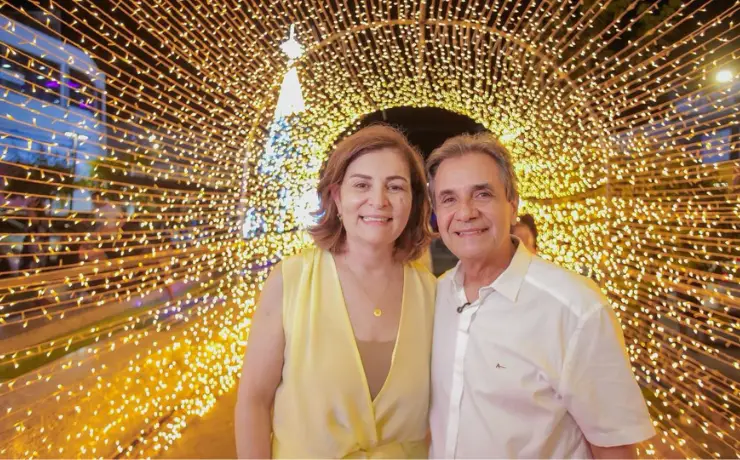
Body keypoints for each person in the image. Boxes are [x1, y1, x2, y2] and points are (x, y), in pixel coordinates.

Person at [426, 133, 654, 459]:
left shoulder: (575, 309)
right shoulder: (435, 297)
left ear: (513, 205)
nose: (465, 212)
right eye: (449, 199)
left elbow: (614, 448)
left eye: (482, 194)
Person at [235, 124, 435, 458]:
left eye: (395, 186)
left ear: (413, 201)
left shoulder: (433, 294)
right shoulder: (292, 279)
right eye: (362, 185)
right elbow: (253, 401)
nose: (379, 201)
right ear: (338, 197)